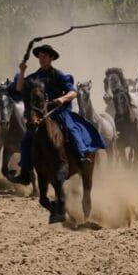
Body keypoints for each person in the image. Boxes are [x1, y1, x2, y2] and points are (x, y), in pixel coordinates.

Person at [7, 44, 105, 185]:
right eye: (40, 56)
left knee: (71, 129)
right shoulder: (35, 77)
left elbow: (73, 92)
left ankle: (82, 158)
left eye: (44, 56)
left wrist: (62, 99)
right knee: (27, 139)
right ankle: (25, 173)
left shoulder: (59, 75)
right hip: (40, 115)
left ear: (51, 58)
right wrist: (22, 71)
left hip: (59, 112)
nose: (41, 58)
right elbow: (19, 88)